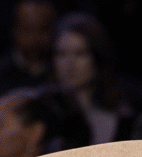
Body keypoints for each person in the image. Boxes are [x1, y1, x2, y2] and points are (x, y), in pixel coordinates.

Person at [52, 12, 133, 145]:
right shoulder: (43, 114)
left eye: (80, 53)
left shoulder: (120, 118)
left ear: (97, 58)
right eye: (61, 54)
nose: (69, 63)